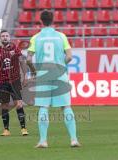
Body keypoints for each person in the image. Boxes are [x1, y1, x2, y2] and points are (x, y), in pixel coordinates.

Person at [26, 10, 81, 148]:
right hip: (59, 74)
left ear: (40, 21)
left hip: (43, 75)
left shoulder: (36, 38)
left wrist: (34, 71)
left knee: (43, 107)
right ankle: (74, 139)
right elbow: (69, 56)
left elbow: (28, 59)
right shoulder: (61, 36)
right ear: (53, 20)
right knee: (66, 107)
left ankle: (43, 141)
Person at [0, 30, 29, 136]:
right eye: (3, 36)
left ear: (9, 38)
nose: (5, 37)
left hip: (15, 80)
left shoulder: (15, 48)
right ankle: (6, 130)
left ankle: (23, 129)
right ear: (0, 38)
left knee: (18, 104)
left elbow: (22, 62)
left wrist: (25, 76)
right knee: (4, 105)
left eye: (6, 36)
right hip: (2, 81)